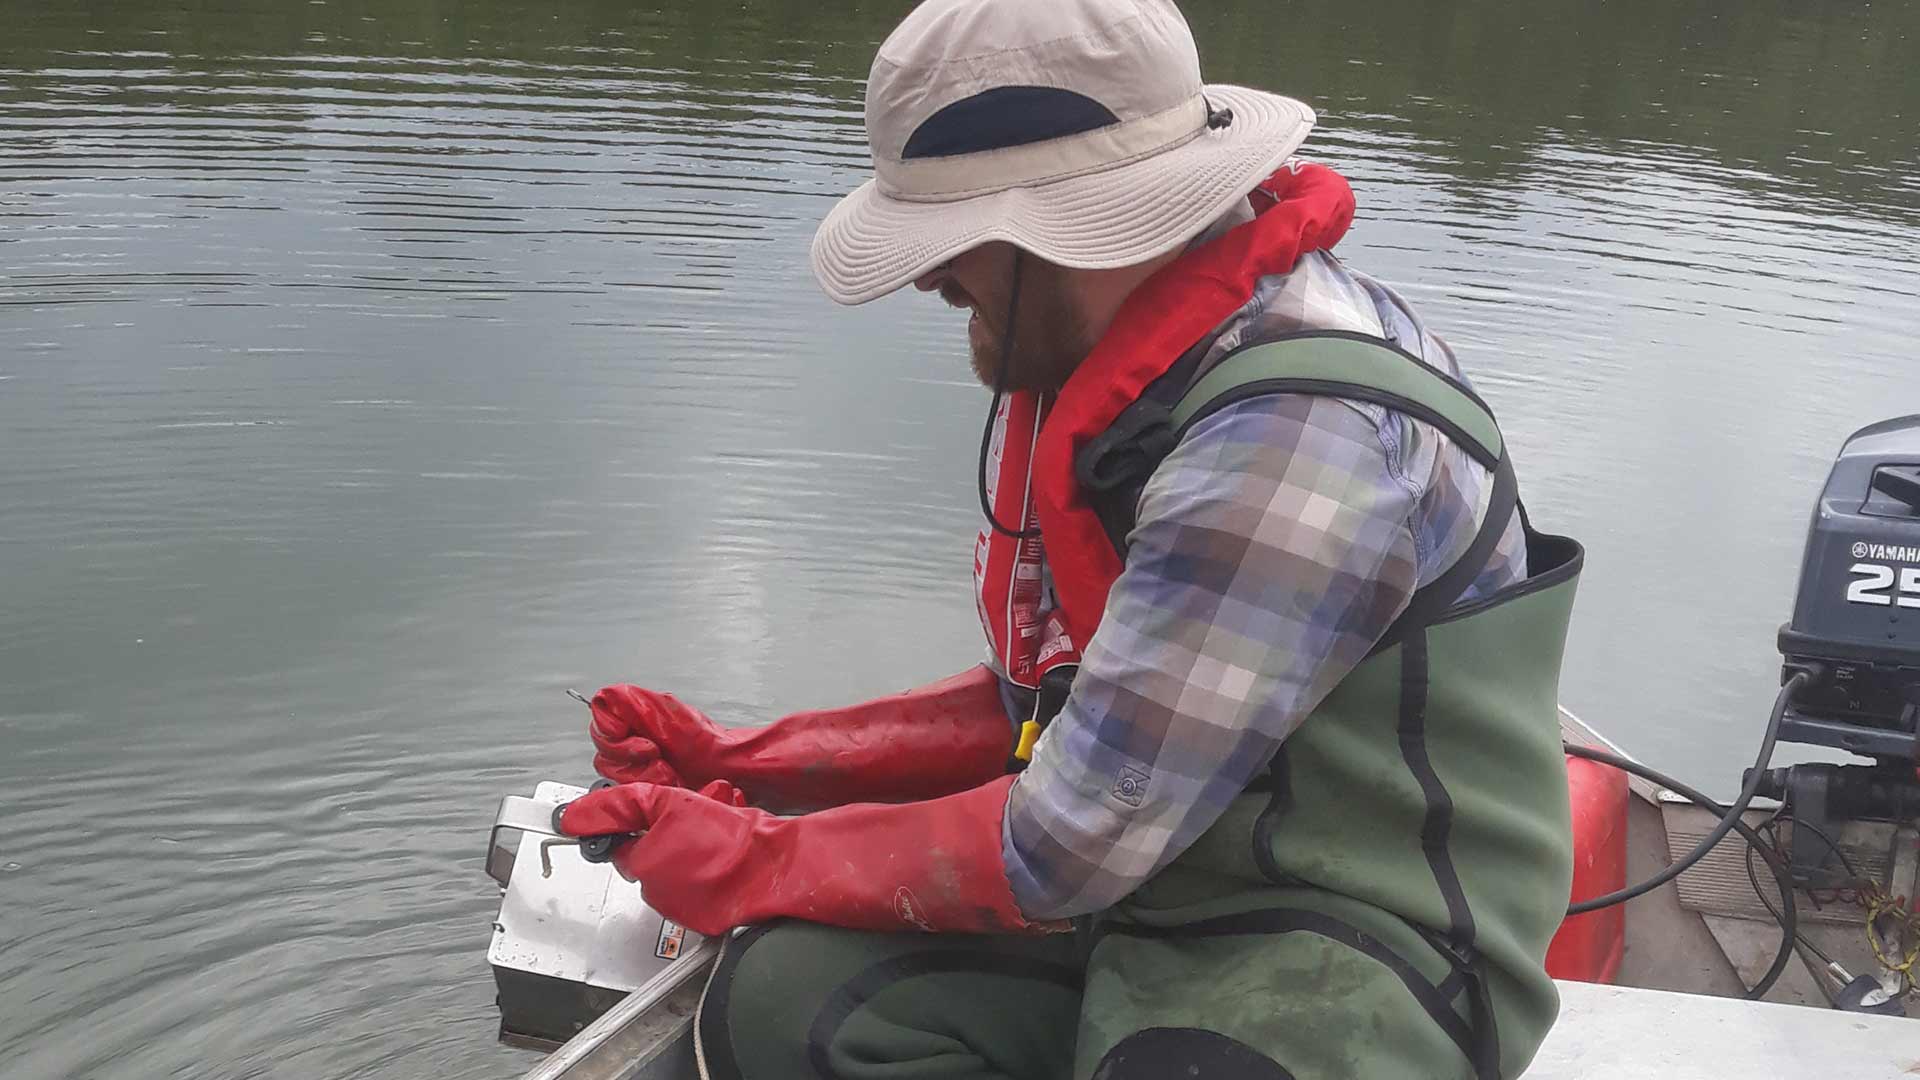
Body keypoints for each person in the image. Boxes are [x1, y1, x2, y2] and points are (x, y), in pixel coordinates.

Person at [557, 0, 1585, 1076]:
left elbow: (1068, 839)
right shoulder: (1161, 355)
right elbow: (1060, 716)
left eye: (947, 239)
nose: (925, 277)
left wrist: (747, 859)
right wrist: (750, 765)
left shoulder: (1295, 432)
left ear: (1062, 228)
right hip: (1171, 880)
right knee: (781, 1002)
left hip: (1365, 946)